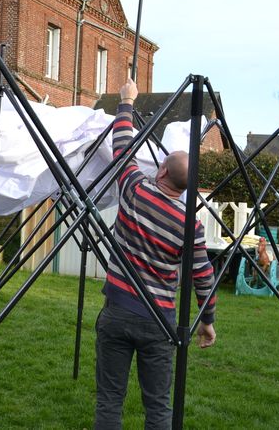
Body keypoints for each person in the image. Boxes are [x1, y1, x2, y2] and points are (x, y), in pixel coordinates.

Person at [94, 77, 217, 430]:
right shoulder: (191, 225)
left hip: (117, 312)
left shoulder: (135, 189)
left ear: (161, 171)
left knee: (109, 401)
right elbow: (203, 276)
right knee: (159, 407)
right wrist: (207, 320)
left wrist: (127, 102)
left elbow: (122, 148)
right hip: (159, 323)